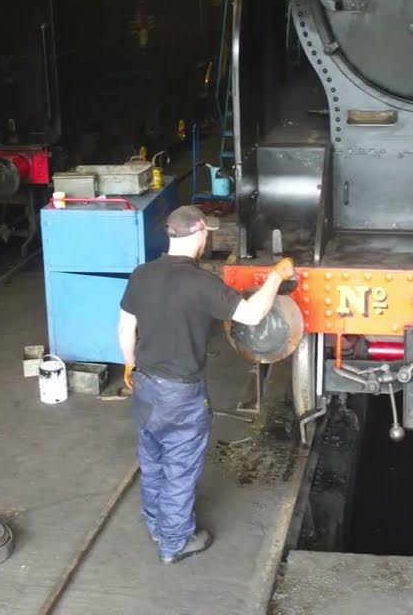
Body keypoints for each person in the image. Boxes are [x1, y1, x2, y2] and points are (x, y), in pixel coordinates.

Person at [117, 205, 294, 564]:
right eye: (207, 233)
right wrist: (276, 275)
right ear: (199, 234)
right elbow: (252, 314)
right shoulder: (202, 284)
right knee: (180, 467)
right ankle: (174, 542)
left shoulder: (141, 274)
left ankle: (156, 524)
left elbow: (124, 328)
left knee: (152, 460)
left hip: (145, 384)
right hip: (181, 392)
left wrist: (130, 364)